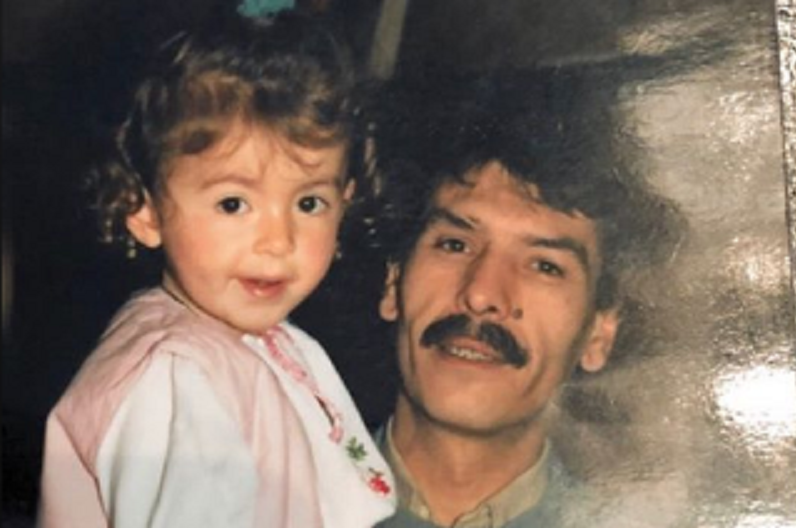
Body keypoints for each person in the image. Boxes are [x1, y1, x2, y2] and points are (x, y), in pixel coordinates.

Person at [37, 11, 395, 528]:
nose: (278, 241)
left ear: (346, 201)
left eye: (309, 203)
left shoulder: (270, 343)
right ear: (145, 211)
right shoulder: (176, 376)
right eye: (233, 204)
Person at [361, 70, 683, 527]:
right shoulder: (271, 502)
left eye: (544, 266)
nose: (481, 294)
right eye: (455, 244)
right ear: (394, 283)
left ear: (599, 333)